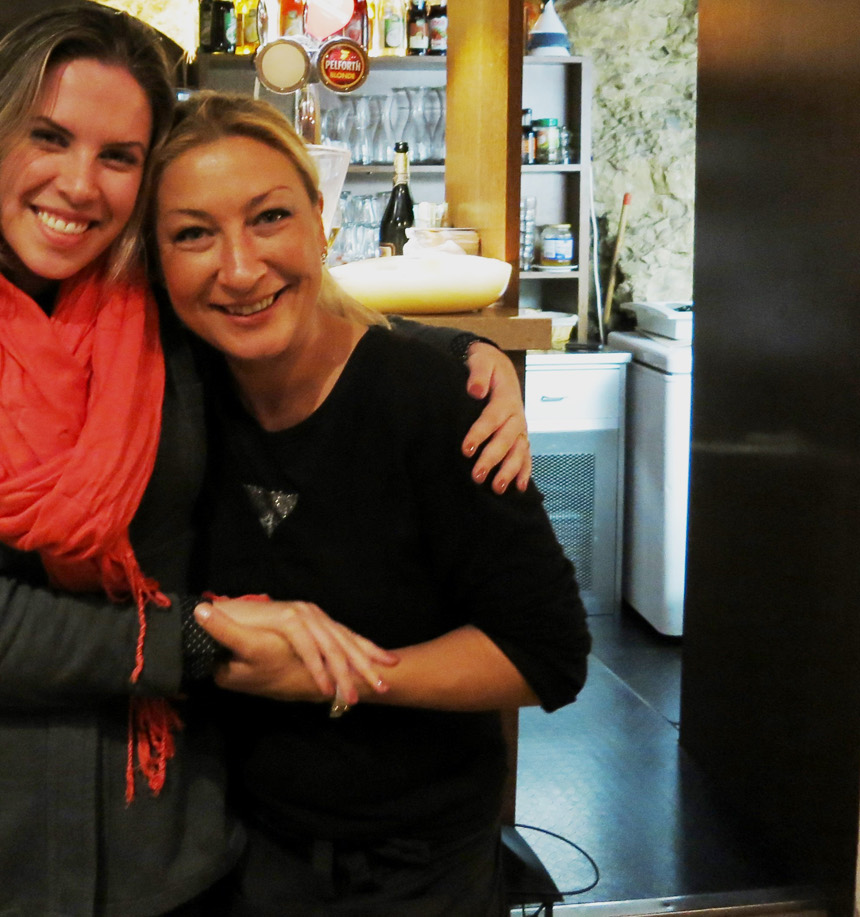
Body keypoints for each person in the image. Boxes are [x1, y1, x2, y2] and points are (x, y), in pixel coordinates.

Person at [0, 6, 536, 917]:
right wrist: (196, 638)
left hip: (162, 836)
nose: (80, 183)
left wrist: (461, 357)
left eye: (118, 156)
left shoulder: (170, 321)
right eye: (49, 137)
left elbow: (302, 319)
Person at [150, 92, 591, 917]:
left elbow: (548, 653)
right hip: (227, 848)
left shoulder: (430, 401)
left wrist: (337, 675)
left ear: (322, 224)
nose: (239, 268)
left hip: (416, 866)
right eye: (193, 234)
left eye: (270, 217)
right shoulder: (174, 395)